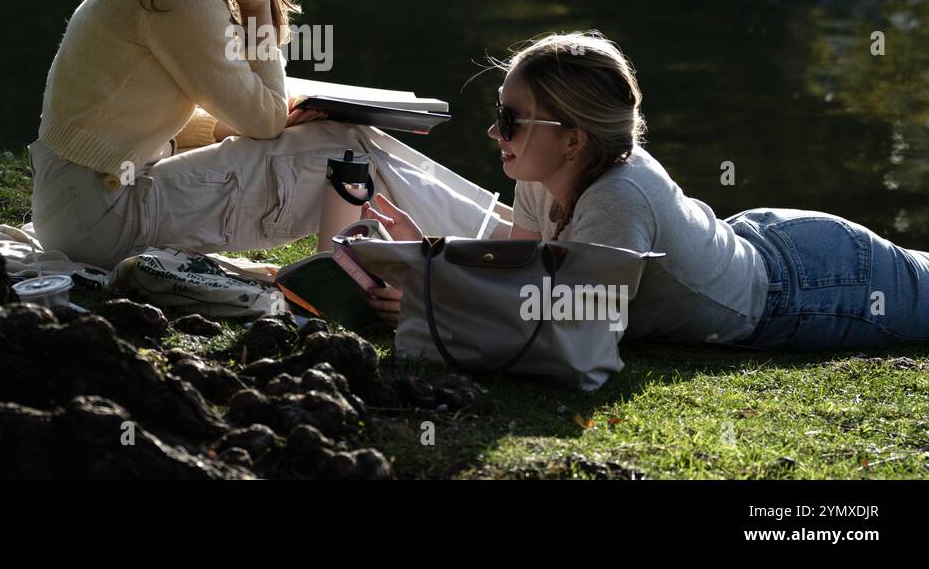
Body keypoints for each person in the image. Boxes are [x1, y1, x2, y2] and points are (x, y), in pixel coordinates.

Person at [28, 0, 512, 327]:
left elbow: (134, 114)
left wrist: (224, 129)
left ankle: (508, 240)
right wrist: (260, 12)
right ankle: (509, 257)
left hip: (79, 204)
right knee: (346, 149)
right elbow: (262, 121)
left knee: (351, 142)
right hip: (100, 216)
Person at [362, 30, 929, 349]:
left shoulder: (617, 199)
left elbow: (577, 331)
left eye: (511, 119)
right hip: (765, 242)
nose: (493, 132)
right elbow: (522, 269)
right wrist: (431, 260)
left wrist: (436, 304)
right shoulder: (541, 173)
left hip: (815, 288)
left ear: (571, 139)